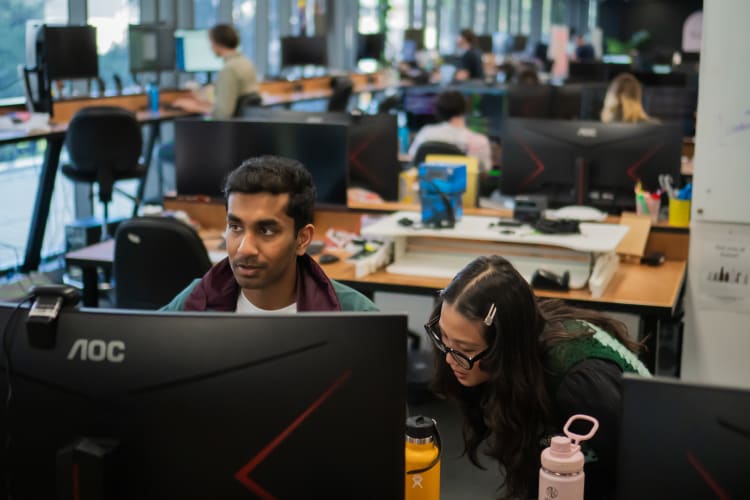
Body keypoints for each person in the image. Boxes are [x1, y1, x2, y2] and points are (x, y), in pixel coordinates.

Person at [427, 255, 651, 499]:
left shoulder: (579, 387)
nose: (450, 359)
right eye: (444, 338)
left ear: (505, 347)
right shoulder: (529, 336)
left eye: (466, 349)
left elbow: (647, 474)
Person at [162, 156, 377, 313]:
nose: (244, 248)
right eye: (235, 227)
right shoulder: (196, 299)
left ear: (303, 239)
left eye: (266, 231)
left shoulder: (355, 313)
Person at [172, 23, 259, 119]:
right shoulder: (246, 62)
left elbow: (223, 113)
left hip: (228, 128)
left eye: (211, 42)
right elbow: (233, 104)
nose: (211, 47)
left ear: (218, 44)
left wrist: (195, 107)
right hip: (243, 125)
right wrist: (202, 103)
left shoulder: (229, 69)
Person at [407, 90, 493, 173]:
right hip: (465, 187)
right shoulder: (479, 141)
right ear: (464, 108)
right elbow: (486, 170)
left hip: (427, 186)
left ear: (438, 111)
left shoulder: (425, 133)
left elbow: (413, 157)